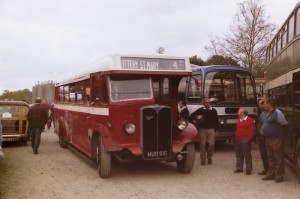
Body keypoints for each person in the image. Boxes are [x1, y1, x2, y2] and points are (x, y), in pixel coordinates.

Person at [261, 98, 288, 183]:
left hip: (276, 139)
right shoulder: (268, 113)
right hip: (268, 139)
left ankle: (279, 176)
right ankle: (271, 174)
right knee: (270, 158)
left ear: (269, 104)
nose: (264, 105)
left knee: (279, 158)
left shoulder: (278, 113)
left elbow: (284, 125)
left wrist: (282, 136)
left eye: (265, 103)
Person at [191, 97, 219, 165]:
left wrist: (217, 130)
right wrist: (194, 120)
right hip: (202, 130)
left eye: (209, 102)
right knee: (202, 145)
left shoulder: (214, 111)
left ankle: (209, 157)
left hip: (211, 129)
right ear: (203, 103)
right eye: (206, 102)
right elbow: (192, 115)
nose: (208, 103)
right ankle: (203, 160)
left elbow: (216, 121)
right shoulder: (200, 110)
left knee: (211, 144)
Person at [234, 108, 255, 175]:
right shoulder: (239, 120)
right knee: (238, 154)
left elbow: (252, 131)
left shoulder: (249, 120)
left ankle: (248, 168)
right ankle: (239, 168)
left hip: (245, 139)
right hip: (238, 139)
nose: (237, 113)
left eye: (238, 112)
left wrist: (248, 139)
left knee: (247, 154)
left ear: (243, 113)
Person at [257, 99, 269, 175]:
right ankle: (266, 168)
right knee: (263, 153)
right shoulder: (262, 114)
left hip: (269, 136)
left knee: (270, 154)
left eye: (260, 104)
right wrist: (260, 132)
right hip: (262, 136)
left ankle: (271, 170)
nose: (259, 106)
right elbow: (260, 124)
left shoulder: (271, 113)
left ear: (265, 104)